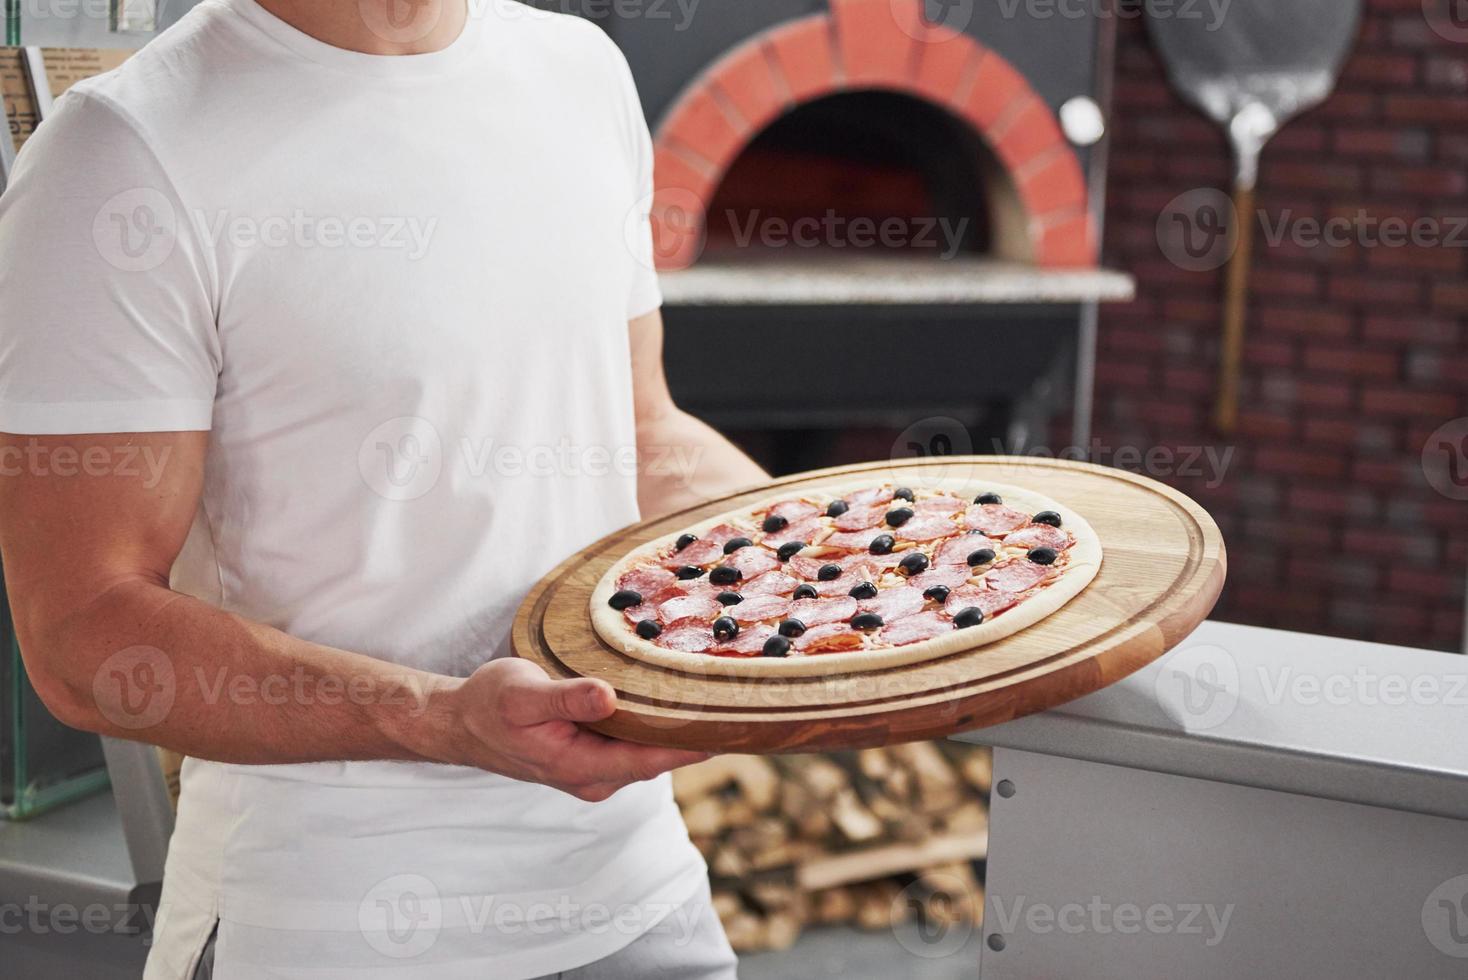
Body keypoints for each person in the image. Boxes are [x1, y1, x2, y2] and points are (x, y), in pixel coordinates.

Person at [0, 1, 764, 976]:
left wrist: (857, 573)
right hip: (330, 925)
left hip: (635, 900)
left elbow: (645, 439)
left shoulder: (581, 71)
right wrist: (440, 718)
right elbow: (80, 628)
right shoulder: (120, 150)